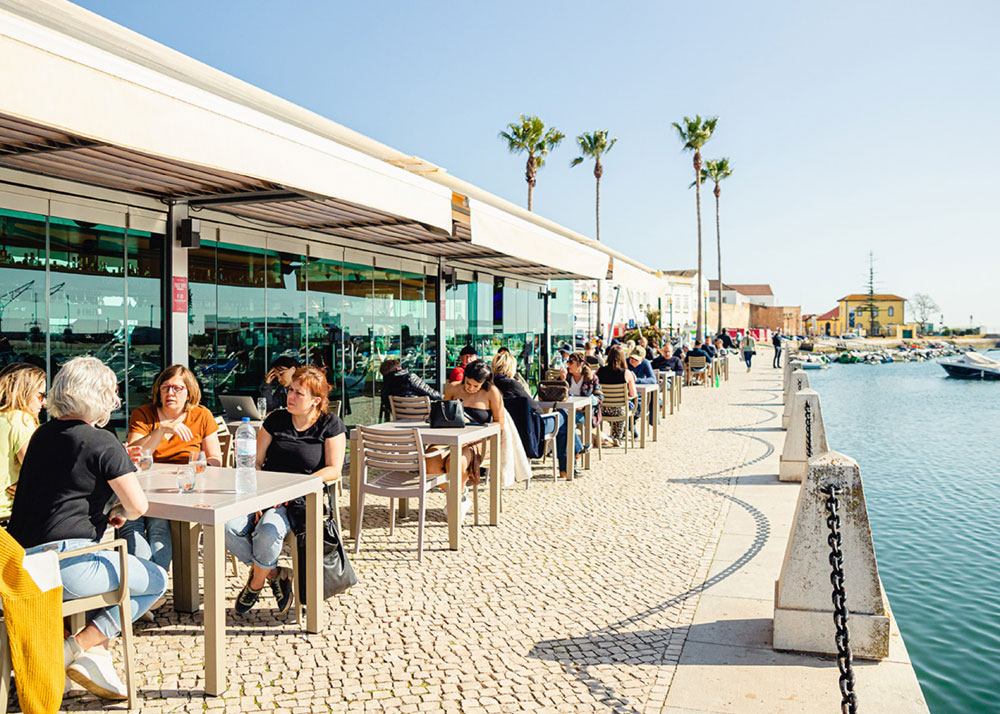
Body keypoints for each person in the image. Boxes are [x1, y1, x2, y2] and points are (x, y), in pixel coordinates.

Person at [8, 357, 166, 700]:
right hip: (69, 566)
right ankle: (73, 650)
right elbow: (139, 507)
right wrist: (120, 509)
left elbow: (63, 490)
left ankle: (95, 656)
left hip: (19, 566)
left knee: (111, 569)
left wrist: (108, 508)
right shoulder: (103, 441)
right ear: (100, 395)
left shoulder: (40, 436)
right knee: (155, 580)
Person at [226, 366, 346, 616]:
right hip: (264, 492)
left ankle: (256, 582)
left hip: (298, 501)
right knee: (227, 526)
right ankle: (274, 573)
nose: (289, 396)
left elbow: (334, 469)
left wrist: (293, 490)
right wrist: (257, 495)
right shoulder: (275, 420)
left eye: (298, 393)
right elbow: (256, 462)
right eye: (290, 390)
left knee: (268, 530)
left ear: (315, 400)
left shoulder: (330, 424)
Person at [125, 365, 222, 572]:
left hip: (182, 489)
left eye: (177, 388)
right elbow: (134, 453)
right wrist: (161, 430)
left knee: (158, 525)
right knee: (133, 524)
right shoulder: (144, 414)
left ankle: (152, 583)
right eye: (165, 387)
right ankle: (145, 584)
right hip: (144, 487)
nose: (170, 393)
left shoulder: (201, 415)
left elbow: (214, 458)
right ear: (158, 391)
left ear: (189, 393)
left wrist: (197, 470)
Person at [428, 360, 504, 519]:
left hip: (478, 440)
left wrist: (476, 429)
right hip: (451, 436)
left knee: (456, 462)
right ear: (465, 377)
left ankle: (455, 500)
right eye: (468, 383)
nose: (471, 389)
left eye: (476, 386)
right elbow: (444, 414)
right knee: (430, 460)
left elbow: (500, 423)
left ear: (484, 382)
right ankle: (460, 494)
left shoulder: (492, 392)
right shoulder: (453, 388)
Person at [0, 363, 46, 522]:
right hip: (7, 514)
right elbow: (39, 473)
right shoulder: (19, 419)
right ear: (23, 392)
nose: (44, 402)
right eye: (40, 395)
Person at [596, 345, 637, 446]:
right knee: (623, 407)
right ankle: (616, 437)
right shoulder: (626, 373)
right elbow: (633, 394)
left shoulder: (599, 371)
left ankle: (606, 436)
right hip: (618, 410)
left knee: (620, 407)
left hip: (602, 408)